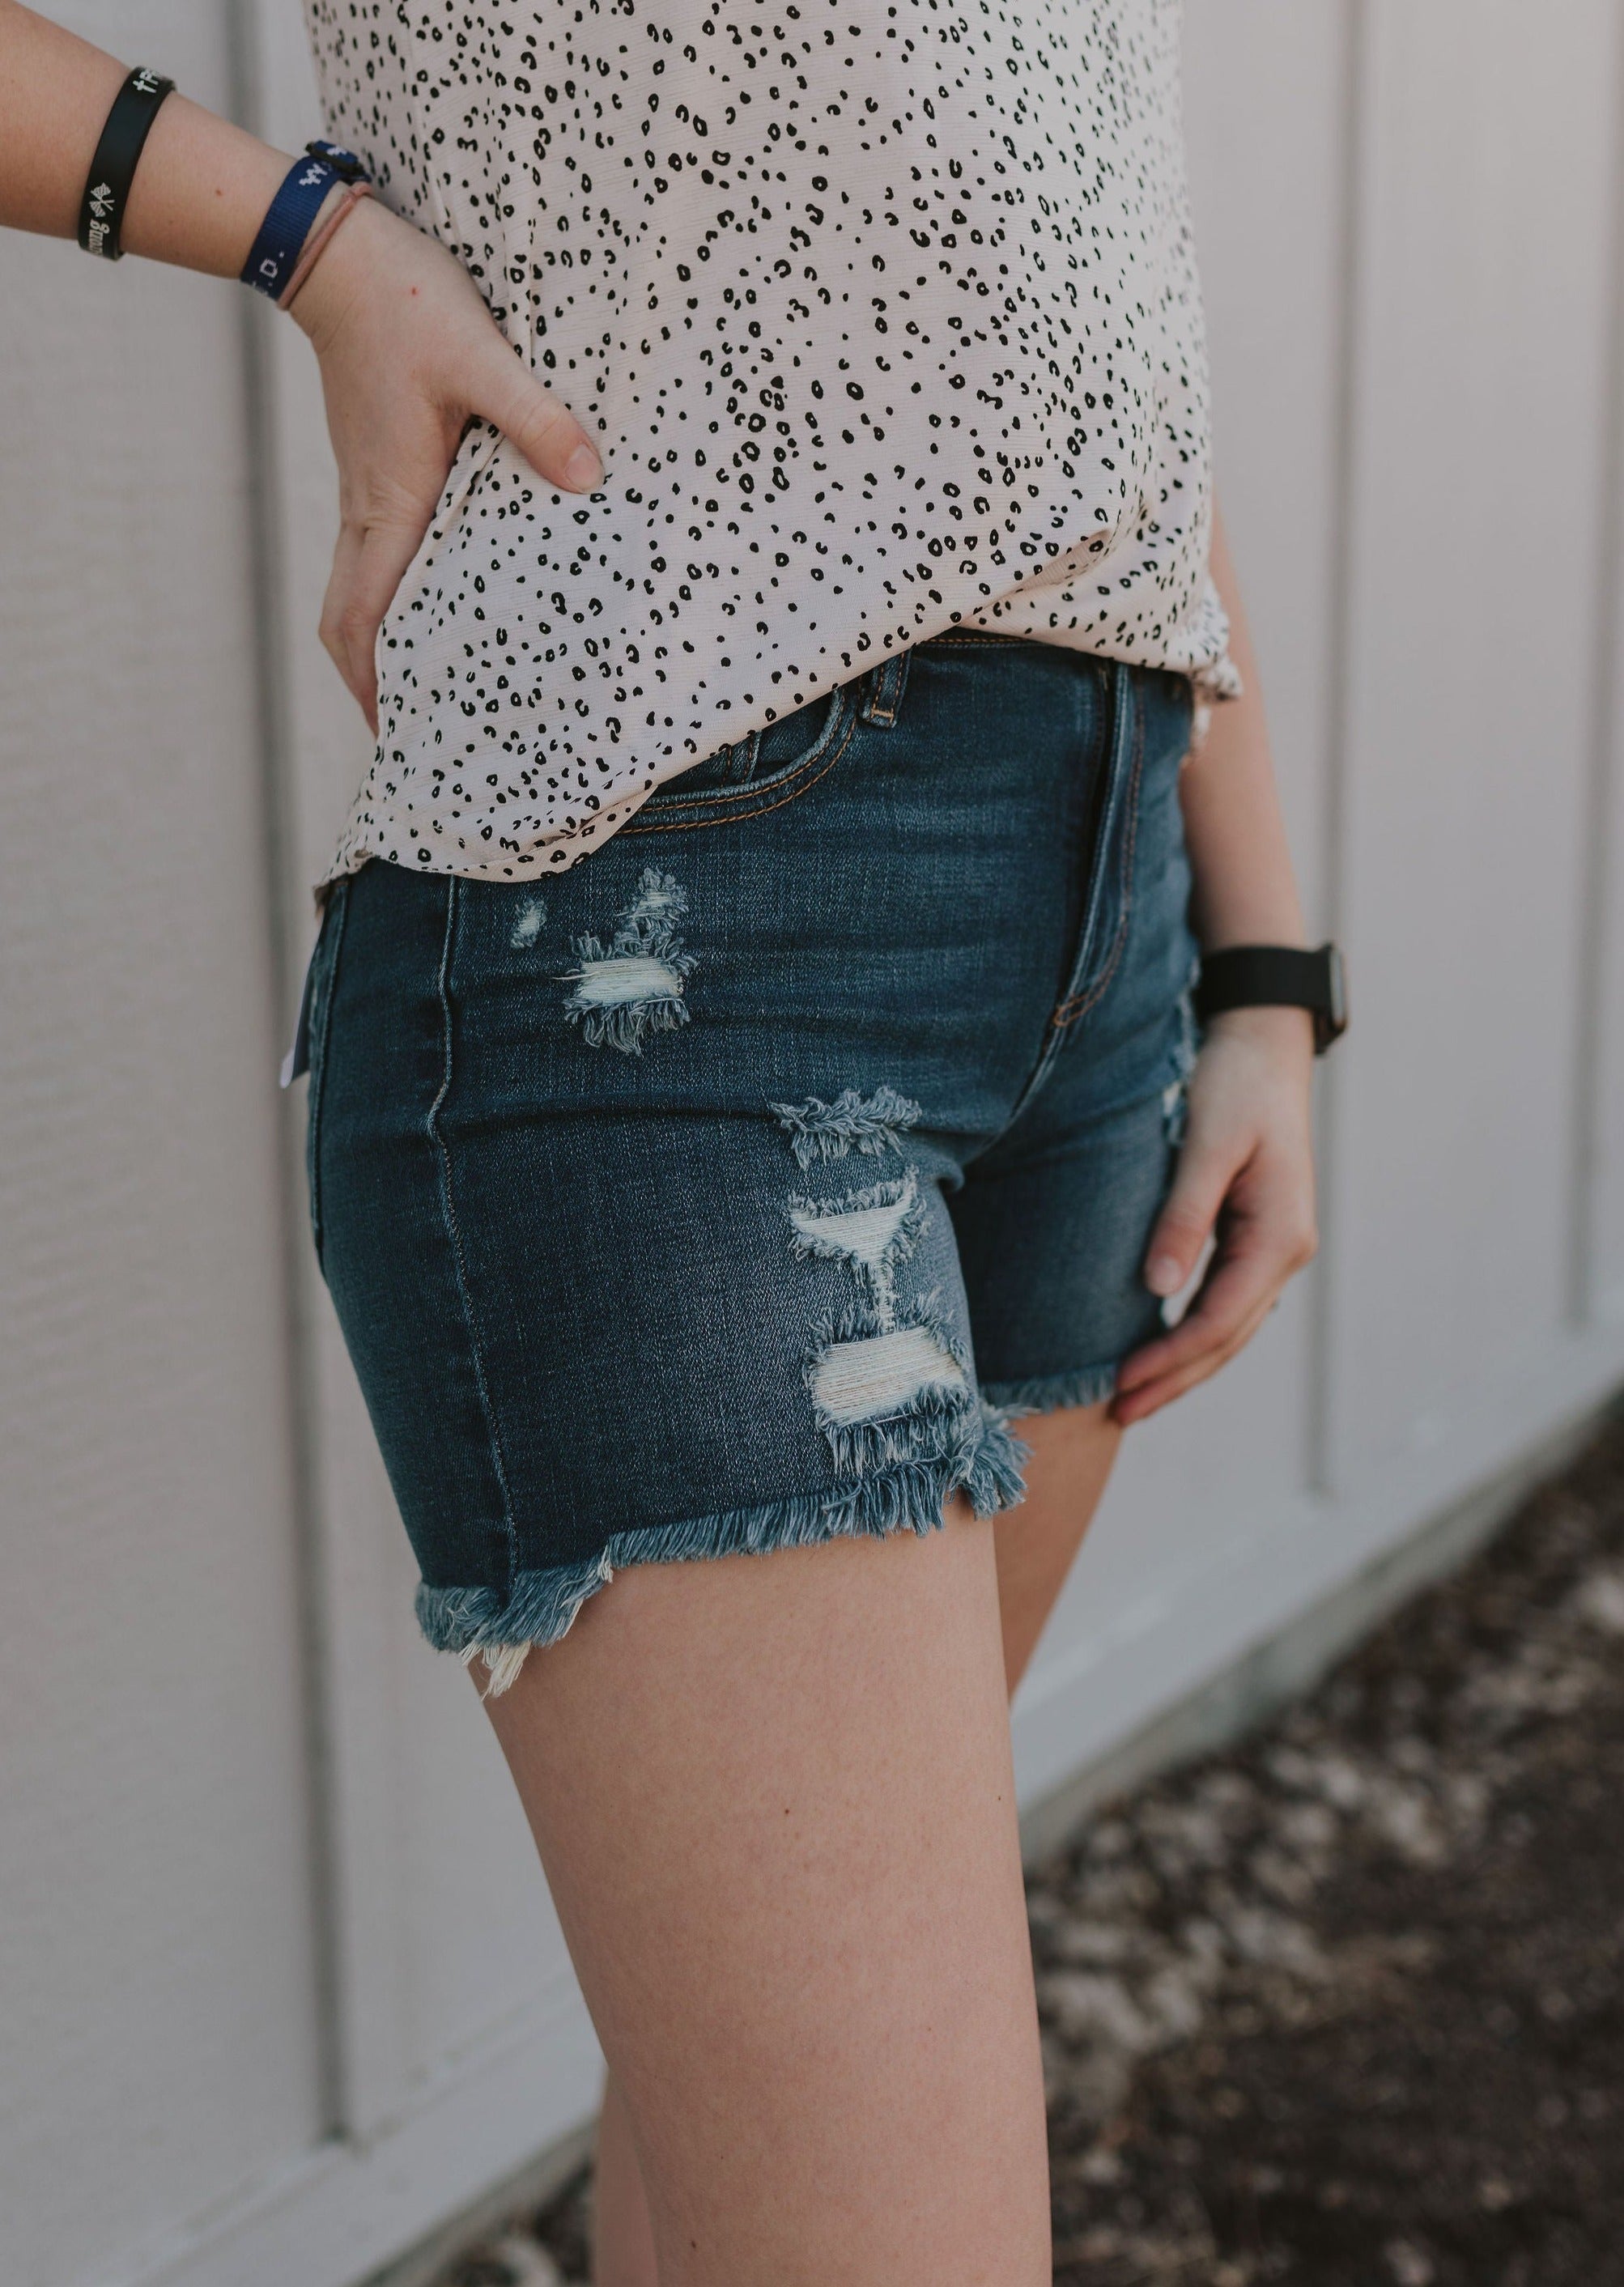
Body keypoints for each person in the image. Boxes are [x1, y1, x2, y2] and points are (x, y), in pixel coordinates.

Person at [1, 4, 1338, 2278]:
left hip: (1103, 934)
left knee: (745, 2137)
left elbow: (1089, 265)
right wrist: (308, 236)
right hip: (667, 942)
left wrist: (1266, 961)